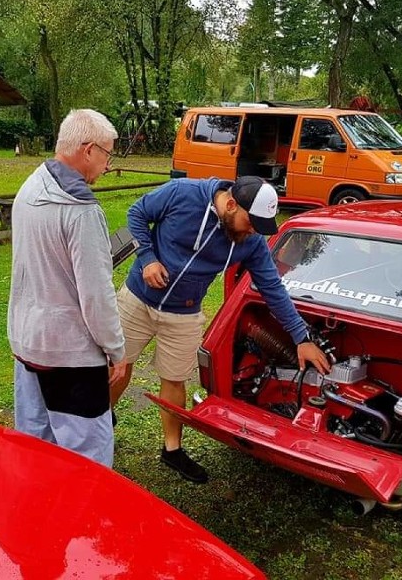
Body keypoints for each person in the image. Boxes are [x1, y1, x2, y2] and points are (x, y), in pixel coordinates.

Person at [111, 176, 331, 483]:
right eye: (250, 221)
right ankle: (99, 421)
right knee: (118, 367)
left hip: (184, 312)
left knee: (175, 379)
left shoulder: (251, 242)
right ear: (230, 204)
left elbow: (272, 287)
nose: (253, 230)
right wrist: (147, 259)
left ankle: (171, 450)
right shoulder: (182, 194)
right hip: (138, 298)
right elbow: (137, 213)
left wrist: (301, 338)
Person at [7, 109, 127, 467]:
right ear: (88, 150)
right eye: (107, 154)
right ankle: (80, 523)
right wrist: (116, 350)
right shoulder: (81, 211)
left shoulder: (29, 187)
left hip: (28, 341)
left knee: (34, 449)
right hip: (71, 355)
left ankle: (37, 516)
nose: (107, 165)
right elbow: (96, 294)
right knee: (87, 460)